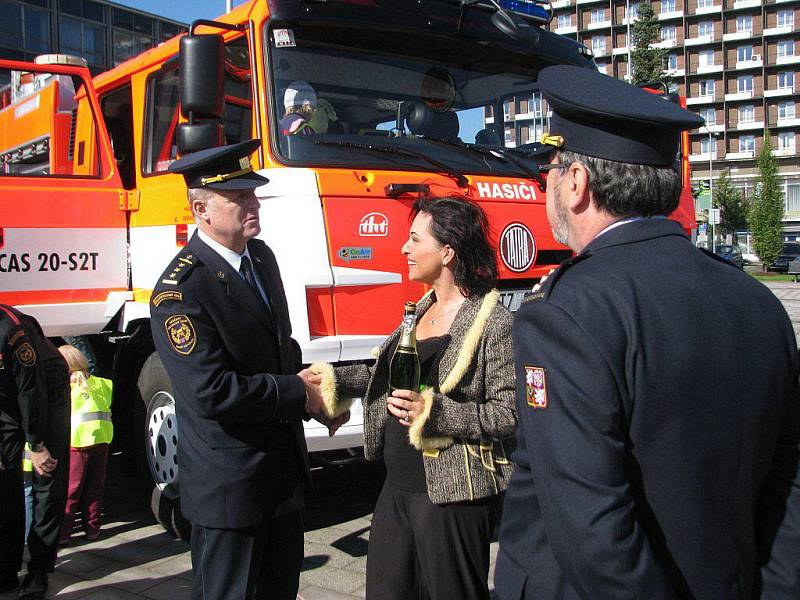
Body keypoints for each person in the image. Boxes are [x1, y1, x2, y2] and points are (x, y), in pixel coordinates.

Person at [496, 65, 800, 599]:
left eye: (550, 168)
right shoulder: (758, 302)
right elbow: (788, 489)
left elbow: (593, 530)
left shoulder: (566, 314)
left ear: (575, 183)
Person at [150, 139, 345, 600]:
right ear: (201, 210)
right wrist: (299, 394)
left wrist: (319, 396)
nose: (253, 203)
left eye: (253, 193)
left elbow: (280, 349)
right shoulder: (181, 291)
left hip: (281, 478)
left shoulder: (261, 258)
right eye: (238, 197)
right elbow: (211, 391)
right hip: (230, 490)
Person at [309, 196, 516, 600]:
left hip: (452, 498)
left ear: (447, 252)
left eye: (414, 239)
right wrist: (327, 379)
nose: (404, 248)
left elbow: (508, 414)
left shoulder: (495, 322)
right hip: (397, 488)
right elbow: (382, 378)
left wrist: (435, 412)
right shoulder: (418, 311)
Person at [0, 304, 70, 600]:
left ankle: (39, 568)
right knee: (4, 479)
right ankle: (5, 570)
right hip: (6, 398)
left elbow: (32, 391)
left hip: (46, 389)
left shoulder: (11, 331)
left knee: (46, 479)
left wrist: (37, 445)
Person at [57, 344, 113, 545]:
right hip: (101, 440)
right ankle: (93, 530)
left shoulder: (64, 388)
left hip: (77, 443)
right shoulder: (103, 384)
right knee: (95, 488)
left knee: (71, 491)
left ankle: (63, 534)